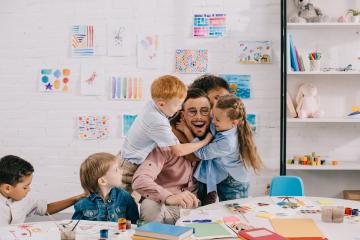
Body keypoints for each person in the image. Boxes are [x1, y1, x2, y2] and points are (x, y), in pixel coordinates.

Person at [120, 75, 212, 194]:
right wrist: (204, 142)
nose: (179, 108)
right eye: (177, 104)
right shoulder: (158, 121)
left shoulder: (153, 104)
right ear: (161, 104)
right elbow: (178, 151)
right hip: (129, 167)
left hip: (127, 157)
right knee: (122, 203)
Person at [132, 88, 212, 224]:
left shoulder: (213, 146)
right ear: (182, 116)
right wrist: (169, 196)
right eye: (192, 111)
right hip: (166, 207)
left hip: (195, 211)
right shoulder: (165, 146)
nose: (199, 116)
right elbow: (140, 180)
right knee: (149, 205)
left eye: (204, 111)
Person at [177, 94, 262, 201]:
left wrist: (186, 131)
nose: (213, 121)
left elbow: (201, 153)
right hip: (225, 174)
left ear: (233, 123)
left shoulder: (228, 142)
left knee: (233, 211)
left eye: (217, 120)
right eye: (213, 116)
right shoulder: (225, 124)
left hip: (234, 182)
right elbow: (213, 126)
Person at [0, 155, 86, 226]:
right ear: (7, 188)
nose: (29, 190)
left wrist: (76, 199)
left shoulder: (23, 200)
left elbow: (46, 208)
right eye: (25, 187)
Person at [72, 153, 139, 223]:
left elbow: (134, 224)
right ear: (103, 181)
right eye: (116, 170)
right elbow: (75, 228)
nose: (121, 171)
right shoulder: (83, 204)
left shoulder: (125, 197)